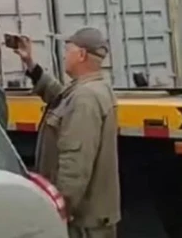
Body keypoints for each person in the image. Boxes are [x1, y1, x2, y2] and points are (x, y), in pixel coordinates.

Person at [12, 28, 120, 238]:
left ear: (81, 55)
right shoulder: (93, 88)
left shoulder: (85, 99)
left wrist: (59, 210)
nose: (64, 55)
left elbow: (75, 166)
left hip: (82, 224)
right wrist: (31, 65)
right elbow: (59, 97)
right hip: (90, 219)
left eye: (67, 50)